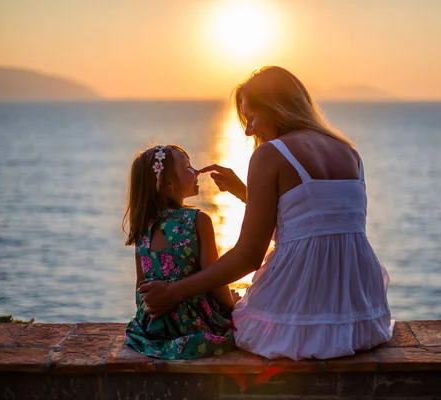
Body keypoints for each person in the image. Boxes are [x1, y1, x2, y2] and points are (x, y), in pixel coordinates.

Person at [138, 66, 393, 360]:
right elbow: (312, 224)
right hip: (360, 316)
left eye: (252, 117)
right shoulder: (350, 153)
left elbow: (249, 256)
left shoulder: (270, 153)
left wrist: (175, 291)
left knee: (228, 323)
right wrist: (246, 193)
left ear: (276, 108)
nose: (248, 130)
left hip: (300, 319)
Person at [122, 144, 236, 359]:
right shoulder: (198, 221)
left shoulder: (142, 227)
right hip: (192, 323)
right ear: (168, 183)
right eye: (188, 167)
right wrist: (233, 304)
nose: (196, 171)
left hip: (154, 325)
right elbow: (214, 280)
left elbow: (141, 285)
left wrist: (148, 317)